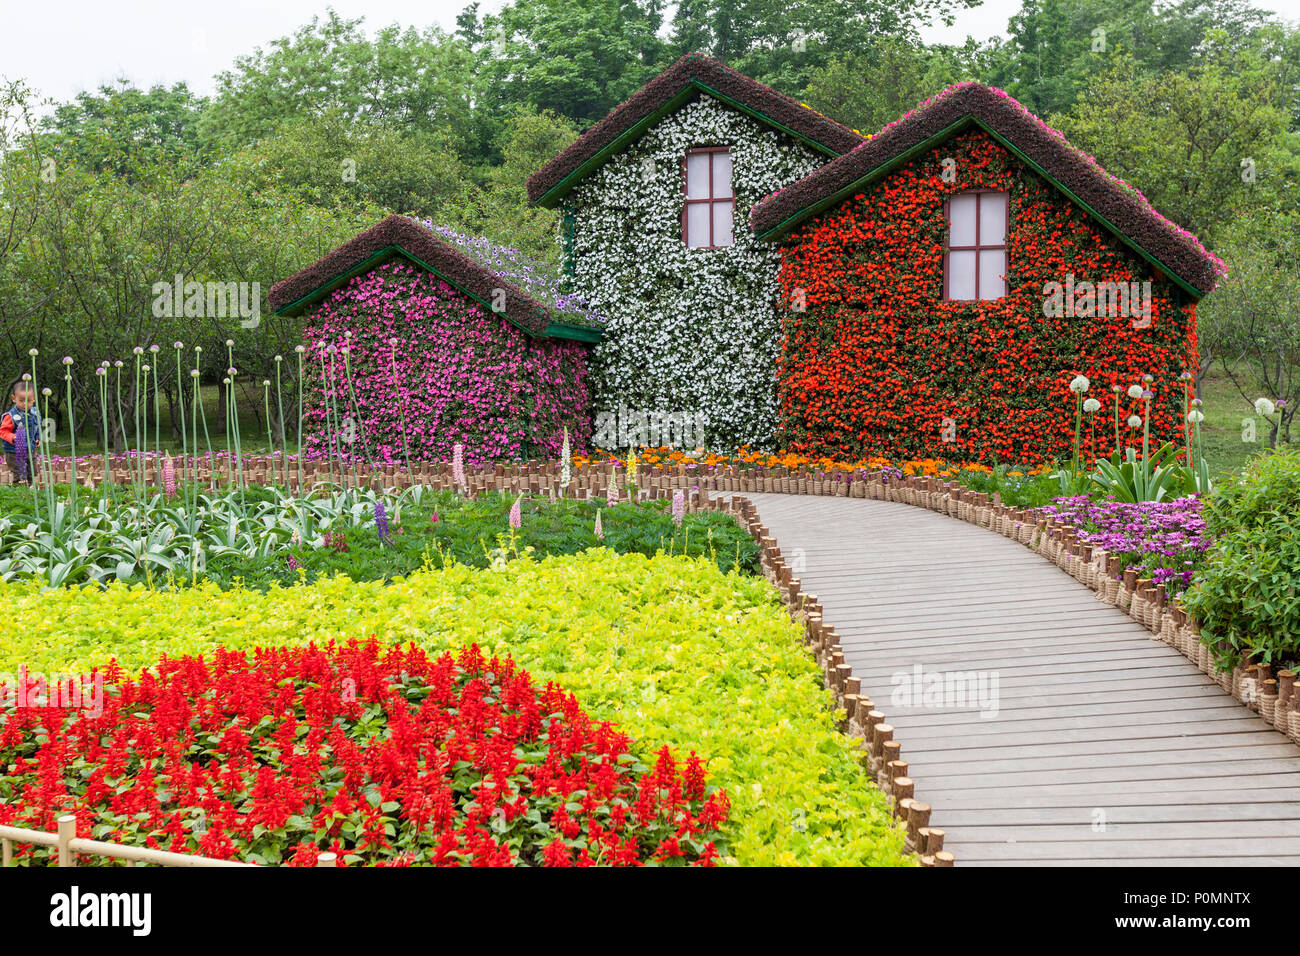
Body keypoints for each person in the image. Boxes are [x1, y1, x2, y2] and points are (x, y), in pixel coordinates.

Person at [0, 378, 41, 484]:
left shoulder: (35, 413)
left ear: (34, 399)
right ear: (14, 398)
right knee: (19, 474)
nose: (25, 404)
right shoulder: (11, 416)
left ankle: (32, 493)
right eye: (21, 400)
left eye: (28, 401)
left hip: (30, 450)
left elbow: (37, 428)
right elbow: (3, 432)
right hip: (14, 451)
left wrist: (37, 438)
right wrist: (13, 437)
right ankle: (19, 493)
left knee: (32, 472)